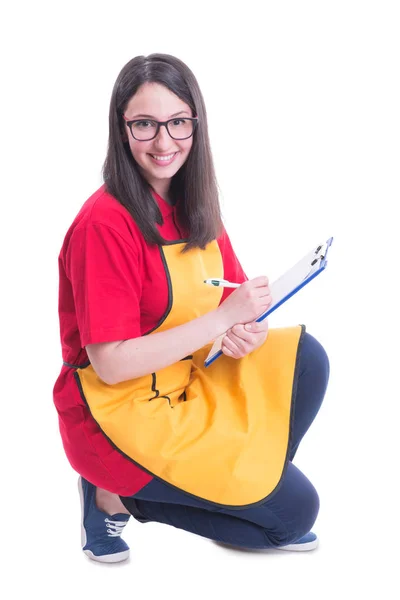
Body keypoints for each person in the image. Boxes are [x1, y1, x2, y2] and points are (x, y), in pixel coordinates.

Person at [53, 53, 330, 563]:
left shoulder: (195, 203)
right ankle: (112, 496)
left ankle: (239, 498)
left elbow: (231, 301)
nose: (164, 142)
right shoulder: (104, 225)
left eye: (178, 122)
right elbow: (111, 364)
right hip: (117, 415)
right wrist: (222, 321)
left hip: (184, 385)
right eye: (145, 125)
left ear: (196, 124)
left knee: (306, 358)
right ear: (121, 129)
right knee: (293, 517)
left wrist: (246, 329)